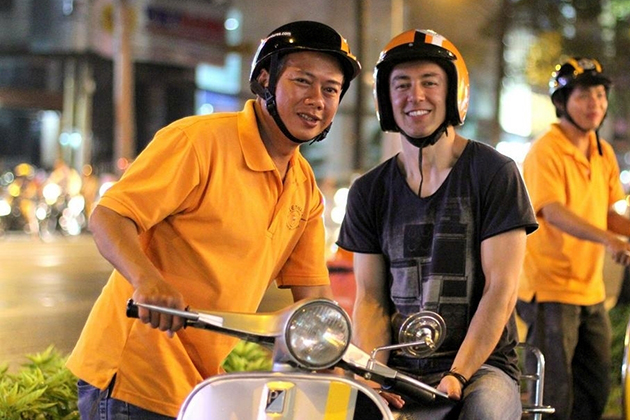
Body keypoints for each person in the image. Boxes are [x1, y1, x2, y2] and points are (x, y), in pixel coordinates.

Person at [66, 20, 361, 420]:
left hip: (202, 387)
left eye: (331, 90)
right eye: (302, 81)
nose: (317, 100)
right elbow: (110, 216)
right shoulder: (199, 142)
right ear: (264, 79)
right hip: (135, 377)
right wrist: (148, 280)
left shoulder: (303, 185)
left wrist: (349, 370)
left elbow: (313, 299)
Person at [336, 29, 538, 420]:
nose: (416, 96)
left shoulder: (495, 173)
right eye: (402, 85)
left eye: (430, 82)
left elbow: (501, 290)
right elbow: (372, 298)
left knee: (485, 413)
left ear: (453, 93)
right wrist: (376, 376)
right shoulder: (368, 191)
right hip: (400, 369)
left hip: (483, 367)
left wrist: (458, 374)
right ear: (385, 99)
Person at [517, 57, 630, 420]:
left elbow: (611, 214)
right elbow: (552, 211)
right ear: (563, 102)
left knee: (595, 390)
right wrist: (609, 239)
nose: (595, 103)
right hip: (550, 290)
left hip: (590, 289)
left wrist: (621, 233)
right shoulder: (545, 150)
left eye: (600, 94)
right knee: (554, 398)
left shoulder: (603, 151)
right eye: (584, 95)